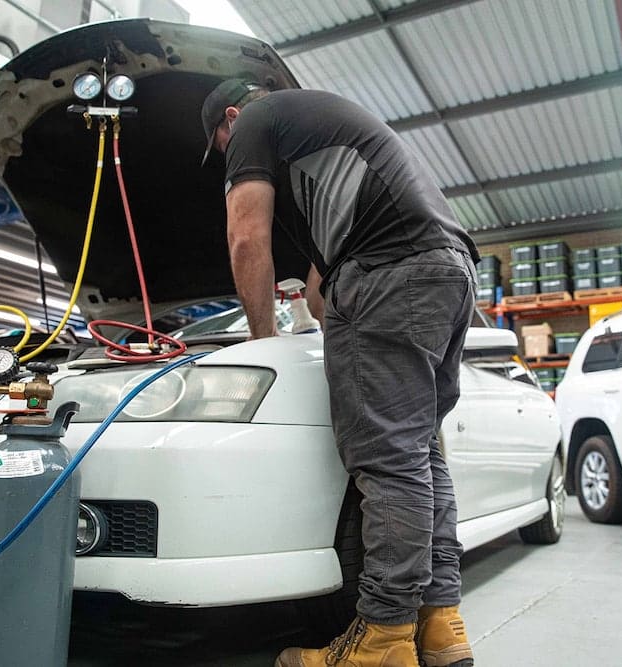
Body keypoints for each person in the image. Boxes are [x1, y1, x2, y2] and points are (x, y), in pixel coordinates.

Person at [201, 79, 481, 667]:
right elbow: (319, 293)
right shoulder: (325, 136)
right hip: (447, 272)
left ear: (232, 117)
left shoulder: (258, 119)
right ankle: (439, 623)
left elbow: (247, 237)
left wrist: (262, 343)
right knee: (420, 454)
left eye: (221, 146)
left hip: (388, 274)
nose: (229, 157)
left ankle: (382, 638)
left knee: (389, 461)